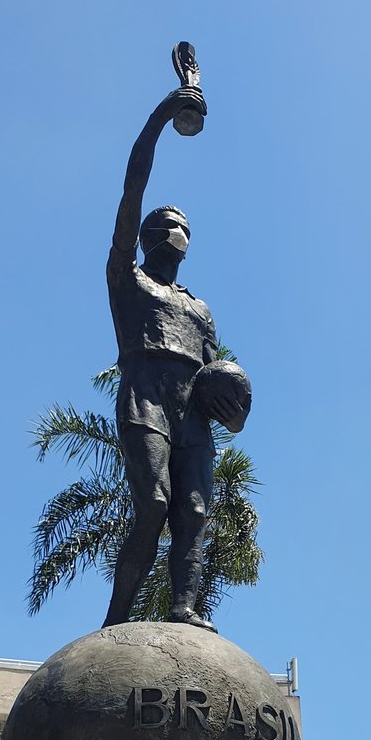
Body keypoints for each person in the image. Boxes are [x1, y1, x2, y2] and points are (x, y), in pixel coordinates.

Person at [104, 75, 251, 632]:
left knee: (193, 511)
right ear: (144, 236)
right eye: (166, 225)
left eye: (183, 227)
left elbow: (223, 394)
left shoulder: (200, 309)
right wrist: (166, 112)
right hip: (145, 396)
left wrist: (235, 407)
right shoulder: (127, 280)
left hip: (192, 409)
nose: (176, 232)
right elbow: (132, 187)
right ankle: (117, 620)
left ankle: (183, 606)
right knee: (154, 506)